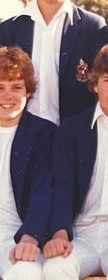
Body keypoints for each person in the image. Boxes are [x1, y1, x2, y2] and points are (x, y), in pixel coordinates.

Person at [42, 42, 108, 280]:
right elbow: (62, 185)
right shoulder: (72, 129)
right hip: (79, 234)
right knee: (55, 268)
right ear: (95, 84)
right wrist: (60, 233)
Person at [0, 0, 108, 125]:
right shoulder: (8, 30)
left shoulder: (93, 28)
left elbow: (106, 86)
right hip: (21, 136)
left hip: (73, 138)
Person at [0, 46, 57, 279]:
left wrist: (30, 236)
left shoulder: (43, 133)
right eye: (0, 88)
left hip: (16, 233)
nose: (7, 96)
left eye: (16, 87)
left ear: (29, 91)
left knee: (25, 274)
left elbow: (44, 191)